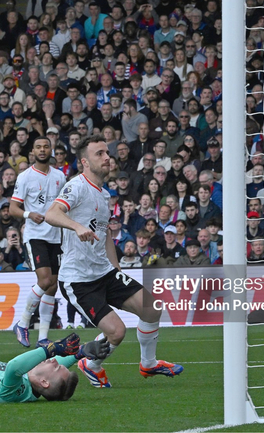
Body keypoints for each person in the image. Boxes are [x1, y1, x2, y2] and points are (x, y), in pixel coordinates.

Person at [44, 135, 183, 387]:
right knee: (117, 332)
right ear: (84, 162)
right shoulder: (76, 186)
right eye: (100, 154)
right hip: (79, 279)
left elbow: (105, 232)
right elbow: (51, 213)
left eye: (106, 153)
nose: (107, 157)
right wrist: (76, 226)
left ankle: (149, 365)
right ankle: (91, 363)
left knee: (152, 308)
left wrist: (116, 268)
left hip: (105, 272)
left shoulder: (104, 194)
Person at [10, 137, 66, 348]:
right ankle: (23, 323)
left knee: (52, 287)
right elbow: (13, 208)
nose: (43, 150)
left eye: (46, 146)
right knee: (44, 281)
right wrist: (28, 214)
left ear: (51, 150)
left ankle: (43, 337)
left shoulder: (60, 176)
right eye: (38, 146)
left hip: (56, 236)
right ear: (32, 151)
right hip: (36, 236)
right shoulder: (25, 177)